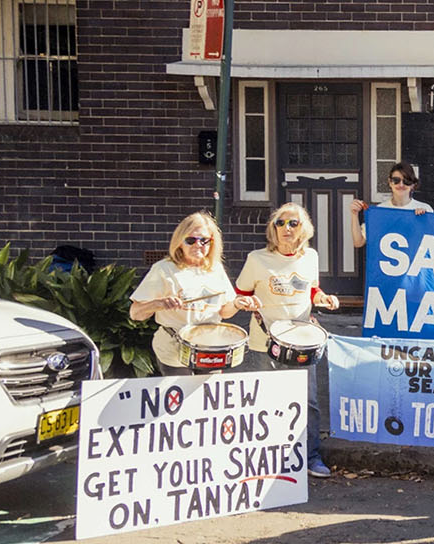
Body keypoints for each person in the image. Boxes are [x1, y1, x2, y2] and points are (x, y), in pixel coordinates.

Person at [234, 203, 341, 479]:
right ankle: (267, 459)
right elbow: (240, 292)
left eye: (292, 223)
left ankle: (310, 456)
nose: (286, 229)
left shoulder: (310, 257)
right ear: (273, 228)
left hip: (301, 342)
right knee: (266, 401)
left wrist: (323, 299)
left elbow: (312, 290)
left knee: (308, 402)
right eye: (280, 223)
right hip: (264, 343)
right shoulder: (257, 259)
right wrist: (246, 302)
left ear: (303, 229)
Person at [130, 212, 260, 376]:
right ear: (179, 242)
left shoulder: (215, 269)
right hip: (174, 349)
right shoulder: (163, 269)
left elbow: (223, 312)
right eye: (190, 240)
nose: (198, 245)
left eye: (204, 240)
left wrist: (236, 304)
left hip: (210, 347)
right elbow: (135, 314)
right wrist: (160, 304)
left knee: (208, 396)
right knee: (182, 397)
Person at [350, 162, 433, 248]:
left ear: (413, 185)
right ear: (390, 182)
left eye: (406, 181)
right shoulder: (380, 211)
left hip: (415, 260)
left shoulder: (426, 209)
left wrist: (425, 220)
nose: (401, 185)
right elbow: (358, 242)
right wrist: (354, 214)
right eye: (396, 180)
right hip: (387, 261)